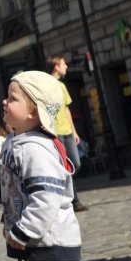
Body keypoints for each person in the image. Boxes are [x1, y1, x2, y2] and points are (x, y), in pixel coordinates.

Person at [0, 71, 105, 261]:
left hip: (52, 236)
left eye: (12, 98)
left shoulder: (35, 149)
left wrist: (23, 231)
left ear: (34, 110)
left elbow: (45, 197)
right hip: (40, 239)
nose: (4, 102)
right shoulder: (21, 141)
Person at [47, 56, 88, 212]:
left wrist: (74, 130)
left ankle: (67, 195)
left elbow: (66, 109)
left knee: (75, 164)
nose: (66, 66)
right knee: (65, 166)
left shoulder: (62, 86)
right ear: (56, 67)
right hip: (55, 132)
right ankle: (73, 200)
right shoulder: (46, 85)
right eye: (64, 64)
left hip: (67, 131)